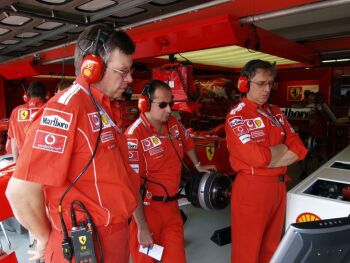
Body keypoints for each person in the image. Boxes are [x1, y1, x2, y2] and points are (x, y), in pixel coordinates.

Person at [6, 24, 139, 263]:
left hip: (115, 236)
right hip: (85, 245)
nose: (129, 79)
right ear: (92, 68)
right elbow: (20, 192)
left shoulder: (102, 107)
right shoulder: (65, 110)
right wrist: (44, 237)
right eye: (122, 71)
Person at [225, 60, 308, 263]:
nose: (267, 89)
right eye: (261, 83)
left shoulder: (276, 112)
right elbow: (256, 157)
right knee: (247, 252)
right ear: (244, 84)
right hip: (252, 191)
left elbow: (299, 150)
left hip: (278, 187)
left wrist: (269, 158)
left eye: (270, 83)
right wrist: (280, 152)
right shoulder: (236, 117)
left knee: (271, 249)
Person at [125, 80, 216, 263]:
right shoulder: (134, 136)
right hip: (146, 211)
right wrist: (142, 226)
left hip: (172, 209)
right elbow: (132, 186)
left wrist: (197, 164)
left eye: (171, 104)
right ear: (145, 104)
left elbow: (187, 140)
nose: (169, 110)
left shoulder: (173, 123)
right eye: (163, 105)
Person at [7, 81, 47, 161]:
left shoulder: (16, 111)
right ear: (46, 96)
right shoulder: (51, 110)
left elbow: (13, 140)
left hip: (23, 162)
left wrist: (16, 163)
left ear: (27, 95)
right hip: (45, 162)